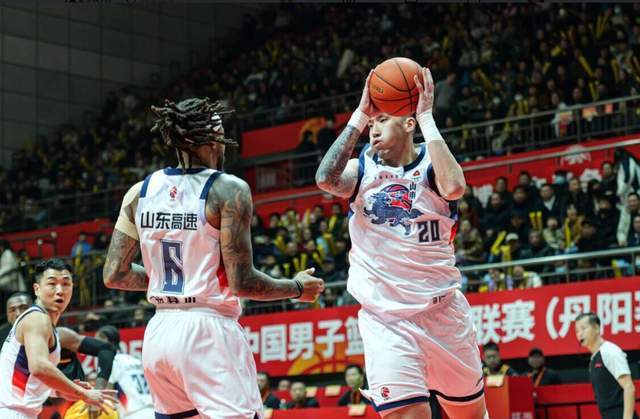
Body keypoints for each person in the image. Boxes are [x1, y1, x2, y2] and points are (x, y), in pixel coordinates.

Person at [103, 97, 325, 419]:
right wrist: (297, 288)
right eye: (221, 136)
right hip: (208, 333)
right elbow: (242, 282)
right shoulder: (228, 189)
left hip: (159, 332)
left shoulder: (140, 191)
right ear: (212, 140)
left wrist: (175, 280)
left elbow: (115, 274)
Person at [316, 68, 487, 418]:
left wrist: (426, 117)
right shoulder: (361, 169)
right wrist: (360, 114)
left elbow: (455, 187)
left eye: (382, 120)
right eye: (372, 123)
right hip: (387, 321)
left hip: (443, 315)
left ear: (408, 124)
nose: (374, 129)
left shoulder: (432, 165)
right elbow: (325, 179)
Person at [0, 258, 116, 418]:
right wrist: (82, 392)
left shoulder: (48, 326)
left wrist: (62, 391)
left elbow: (27, 380)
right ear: (37, 289)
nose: (60, 290)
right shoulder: (37, 318)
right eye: (52, 284)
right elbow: (39, 367)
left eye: (66, 284)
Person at [575, 312, 639, 419]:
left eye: (583, 328)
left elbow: (629, 387)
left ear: (596, 328)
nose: (580, 334)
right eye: (577, 331)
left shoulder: (610, 351)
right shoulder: (593, 359)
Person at [95, 325, 155, 419]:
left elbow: (107, 394)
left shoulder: (110, 361)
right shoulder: (135, 360)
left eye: (95, 342)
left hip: (133, 414)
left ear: (107, 340)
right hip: (153, 410)